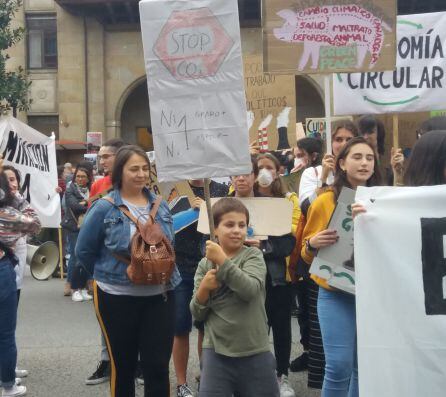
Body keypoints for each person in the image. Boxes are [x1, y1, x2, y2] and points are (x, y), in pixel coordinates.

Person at [76, 145, 180, 397]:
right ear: (120, 172)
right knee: (123, 368)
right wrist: (107, 275)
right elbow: (84, 251)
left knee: (157, 368)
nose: (141, 174)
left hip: (161, 295)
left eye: (145, 168)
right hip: (116, 297)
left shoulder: (161, 205)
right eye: (134, 169)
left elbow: (169, 244)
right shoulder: (103, 208)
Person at [302, 137, 381, 397]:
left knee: (364, 367)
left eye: (369, 157)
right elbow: (305, 253)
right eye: (357, 157)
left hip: (373, 296)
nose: (364, 163)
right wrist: (312, 243)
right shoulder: (324, 201)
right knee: (337, 367)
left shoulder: (384, 200)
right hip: (334, 294)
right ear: (342, 164)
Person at [190, 198, 279, 397]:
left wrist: (222, 260)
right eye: (229, 225)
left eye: (242, 225)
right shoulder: (205, 265)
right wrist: (203, 290)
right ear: (215, 230)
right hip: (216, 351)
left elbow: (249, 290)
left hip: (254, 349)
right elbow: (197, 313)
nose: (237, 230)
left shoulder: (253, 256)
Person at [291, 119, 357, 387]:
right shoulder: (317, 178)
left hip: (367, 286)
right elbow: (308, 208)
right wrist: (324, 178)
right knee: (337, 363)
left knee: (360, 363)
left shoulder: (376, 189)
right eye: (338, 139)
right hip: (330, 282)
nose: (342, 144)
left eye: (348, 140)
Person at [173, 179, 228, 397]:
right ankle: (181, 383)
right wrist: (188, 210)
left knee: (205, 326)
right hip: (179, 267)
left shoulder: (220, 190)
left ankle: (206, 376)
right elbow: (162, 221)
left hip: (209, 265)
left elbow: (227, 222)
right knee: (180, 327)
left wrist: (208, 212)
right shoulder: (175, 188)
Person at [85, 138, 125, 385]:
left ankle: (138, 363)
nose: (101, 161)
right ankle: (106, 360)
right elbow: (90, 228)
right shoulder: (98, 185)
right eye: (100, 157)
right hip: (105, 265)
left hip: (133, 265)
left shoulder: (138, 184)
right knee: (106, 319)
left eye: (106, 156)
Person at [0, 157, 41, 397]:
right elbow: (35, 224)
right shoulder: (8, 213)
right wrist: (17, 198)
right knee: (5, 331)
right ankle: (7, 384)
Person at [2, 166, 31, 382]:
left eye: (14, 179)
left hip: (15, 270)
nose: (12, 183)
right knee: (5, 328)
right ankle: (7, 376)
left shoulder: (16, 203)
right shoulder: (9, 208)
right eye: (7, 180)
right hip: (5, 268)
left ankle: (7, 367)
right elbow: (35, 223)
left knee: (8, 326)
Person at [62, 163, 94, 302]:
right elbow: (74, 206)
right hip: (74, 227)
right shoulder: (70, 189)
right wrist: (88, 203)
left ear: (88, 178)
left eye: (83, 177)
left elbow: (97, 204)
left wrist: (84, 203)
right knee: (76, 256)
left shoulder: (92, 188)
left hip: (89, 227)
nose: (80, 179)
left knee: (86, 255)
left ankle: (84, 285)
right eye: (78, 176)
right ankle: (73, 286)